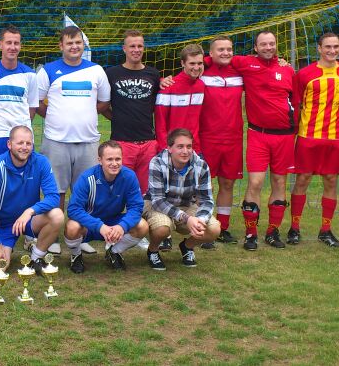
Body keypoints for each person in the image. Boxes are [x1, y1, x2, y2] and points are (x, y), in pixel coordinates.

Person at [37, 25, 110, 254]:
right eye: (69, 43)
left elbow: (104, 102)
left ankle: (81, 234)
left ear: (83, 45)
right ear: (61, 46)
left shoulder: (96, 70)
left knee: (85, 191)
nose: (74, 46)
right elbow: (37, 102)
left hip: (87, 141)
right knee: (56, 192)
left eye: (78, 42)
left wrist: (83, 117)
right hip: (56, 141)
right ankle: (54, 236)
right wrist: (58, 118)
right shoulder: (47, 71)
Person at [289, 33, 339, 247]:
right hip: (309, 136)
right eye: (327, 46)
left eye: (336, 46)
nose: (332, 50)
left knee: (331, 181)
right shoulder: (304, 74)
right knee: (302, 180)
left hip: (335, 137)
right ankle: (294, 227)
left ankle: (325, 230)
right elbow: (298, 105)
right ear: (319, 48)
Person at [232, 31, 295, 251]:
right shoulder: (246, 64)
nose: (268, 47)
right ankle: (251, 234)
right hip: (258, 134)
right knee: (256, 182)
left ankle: (273, 231)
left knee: (279, 182)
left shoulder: (287, 70)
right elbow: (216, 58)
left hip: (285, 137)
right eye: (263, 44)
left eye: (271, 43)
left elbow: (295, 101)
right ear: (256, 48)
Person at [0, 125, 64, 274]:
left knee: (57, 215)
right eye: (20, 143)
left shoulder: (41, 162)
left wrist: (30, 211)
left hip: (28, 220)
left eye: (28, 143)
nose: (24, 147)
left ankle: (35, 258)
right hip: (4, 225)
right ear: (9, 144)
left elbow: (53, 197)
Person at [64, 141, 148, 273]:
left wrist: (122, 226)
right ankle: (76, 255)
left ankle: (114, 252)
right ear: (100, 160)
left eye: (118, 159)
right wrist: (99, 226)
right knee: (72, 226)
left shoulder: (129, 176)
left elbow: (136, 207)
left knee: (142, 225)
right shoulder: (87, 178)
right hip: (90, 224)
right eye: (109, 159)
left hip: (114, 223)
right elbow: (73, 209)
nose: (114, 163)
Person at [144, 128, 220, 269]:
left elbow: (207, 200)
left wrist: (200, 220)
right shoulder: (157, 162)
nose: (185, 151)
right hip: (158, 206)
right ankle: (153, 250)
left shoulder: (201, 165)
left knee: (213, 229)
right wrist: (187, 218)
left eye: (189, 146)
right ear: (169, 148)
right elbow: (158, 201)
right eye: (180, 146)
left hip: (185, 205)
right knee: (162, 228)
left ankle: (187, 247)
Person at [198, 36, 243, 245]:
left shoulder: (239, 72)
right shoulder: (202, 71)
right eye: (221, 50)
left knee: (227, 183)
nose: (226, 53)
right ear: (211, 53)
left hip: (233, 139)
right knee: (205, 186)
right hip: (208, 138)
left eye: (229, 49)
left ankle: (223, 228)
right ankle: (205, 228)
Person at [103, 30, 159, 196]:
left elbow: (158, 103)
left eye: (140, 46)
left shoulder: (153, 74)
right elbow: (104, 105)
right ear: (124, 48)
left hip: (148, 141)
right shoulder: (111, 74)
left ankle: (141, 220)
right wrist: (119, 118)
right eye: (132, 46)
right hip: (122, 141)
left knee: (145, 190)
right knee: (119, 187)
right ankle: (117, 220)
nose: (136, 49)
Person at [0, 25, 38, 168]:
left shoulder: (30, 74)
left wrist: (21, 130)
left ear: (20, 46)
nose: (12, 47)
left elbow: (32, 107)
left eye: (16, 43)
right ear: (1, 45)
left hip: (22, 139)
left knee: (23, 181)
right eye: (8, 42)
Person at [154, 44, 206, 153]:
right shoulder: (168, 87)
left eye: (200, 63)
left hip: (195, 149)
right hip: (173, 150)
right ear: (182, 63)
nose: (196, 67)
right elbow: (160, 124)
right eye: (192, 63)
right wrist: (165, 149)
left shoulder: (201, 86)